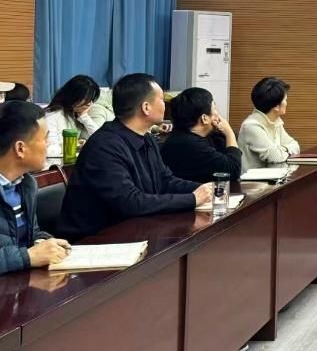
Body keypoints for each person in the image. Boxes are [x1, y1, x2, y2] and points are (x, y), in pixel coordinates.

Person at [61, 74, 213, 239]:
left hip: (134, 231)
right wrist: (192, 199)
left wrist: (205, 189)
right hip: (94, 241)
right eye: (162, 99)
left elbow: (165, 180)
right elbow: (130, 202)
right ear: (146, 107)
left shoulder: (147, 138)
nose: (165, 105)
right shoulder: (105, 146)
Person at [0, 101, 72, 285]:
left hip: (14, 289)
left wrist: (43, 243)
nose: (48, 144)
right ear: (20, 149)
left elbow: (29, 235)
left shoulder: (25, 183)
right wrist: (26, 257)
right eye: (45, 138)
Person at [161, 87, 243, 183]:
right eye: (215, 109)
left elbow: (226, 156)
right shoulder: (187, 144)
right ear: (204, 118)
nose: (218, 115)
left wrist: (223, 132)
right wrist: (229, 133)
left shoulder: (199, 137)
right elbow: (233, 170)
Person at [238, 77, 301, 170]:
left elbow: (295, 146)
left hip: (276, 176)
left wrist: (281, 149)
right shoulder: (251, 126)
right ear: (276, 106)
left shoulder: (275, 121)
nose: (286, 103)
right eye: (285, 100)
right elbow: (275, 157)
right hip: (255, 179)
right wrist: (282, 150)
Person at [43, 75, 104, 158]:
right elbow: (49, 150)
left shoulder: (74, 114)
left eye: (91, 100)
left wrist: (84, 116)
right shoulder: (52, 116)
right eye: (86, 99)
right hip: (55, 164)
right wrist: (72, 145)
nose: (89, 104)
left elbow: (100, 138)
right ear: (72, 96)